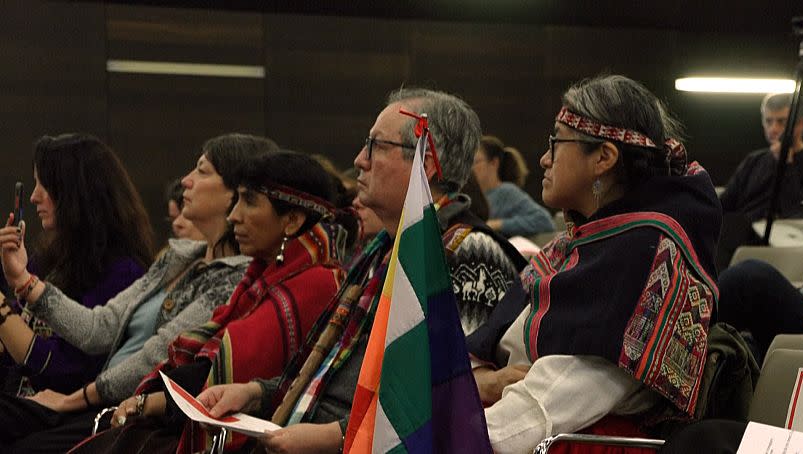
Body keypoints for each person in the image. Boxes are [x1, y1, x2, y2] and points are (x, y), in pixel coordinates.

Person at [191, 87, 527, 453]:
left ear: (425, 162)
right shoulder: (380, 249)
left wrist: (329, 437)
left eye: (375, 146)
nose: (359, 160)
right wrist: (256, 392)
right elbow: (332, 379)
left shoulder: (471, 252)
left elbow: (444, 400)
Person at [467, 75, 722, 453]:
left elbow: (551, 401)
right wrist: (482, 383)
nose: (543, 158)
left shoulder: (648, 255)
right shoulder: (573, 246)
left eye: (557, 141)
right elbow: (483, 353)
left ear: (603, 157)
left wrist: (447, 436)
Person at [0, 133, 271, 452]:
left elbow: (159, 352)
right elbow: (99, 327)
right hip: (94, 403)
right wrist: (22, 280)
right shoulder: (178, 257)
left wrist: (76, 399)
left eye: (202, 170)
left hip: (126, 410)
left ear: (236, 193)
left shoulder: (235, 278)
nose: (186, 180)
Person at [71, 150, 348, 453]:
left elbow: (229, 368)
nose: (234, 216)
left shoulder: (317, 283)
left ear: (292, 220)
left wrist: (145, 402)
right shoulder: (259, 278)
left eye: (250, 201)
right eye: (236, 200)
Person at [0, 133, 153, 397]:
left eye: (44, 184)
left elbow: (61, 372)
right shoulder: (49, 258)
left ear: (76, 191)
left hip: (63, 423)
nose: (34, 196)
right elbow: (10, 359)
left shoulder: (122, 273)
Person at [721, 92, 803, 221]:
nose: (773, 129)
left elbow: (797, 213)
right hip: (743, 233)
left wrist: (786, 164)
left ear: (801, 124)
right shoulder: (754, 161)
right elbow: (723, 205)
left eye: (782, 122)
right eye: (768, 121)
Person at [473, 135, 554, 237]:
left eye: (475, 162)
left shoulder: (506, 192)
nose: (470, 168)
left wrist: (496, 224)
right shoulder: (469, 195)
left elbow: (544, 221)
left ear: (494, 163)